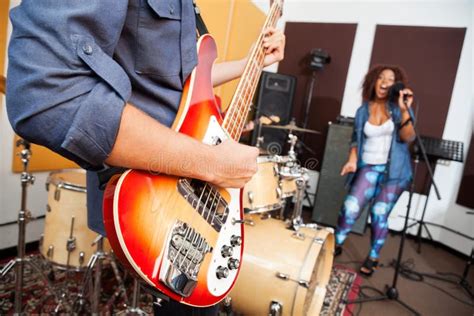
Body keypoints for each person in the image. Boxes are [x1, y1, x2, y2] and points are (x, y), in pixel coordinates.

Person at [6, 1, 285, 314]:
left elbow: (185, 85)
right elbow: (47, 96)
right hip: (152, 195)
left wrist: (251, 62)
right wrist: (211, 163)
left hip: (194, 190)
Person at [335, 64, 415, 276]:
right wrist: (352, 160)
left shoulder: (400, 109)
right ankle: (336, 243)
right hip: (368, 167)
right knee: (350, 207)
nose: (384, 82)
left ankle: (373, 256)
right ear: (373, 81)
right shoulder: (363, 111)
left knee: (379, 212)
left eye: (390, 79)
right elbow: (355, 140)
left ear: (395, 86)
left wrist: (405, 109)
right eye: (381, 78)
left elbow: (409, 137)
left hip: (395, 173)